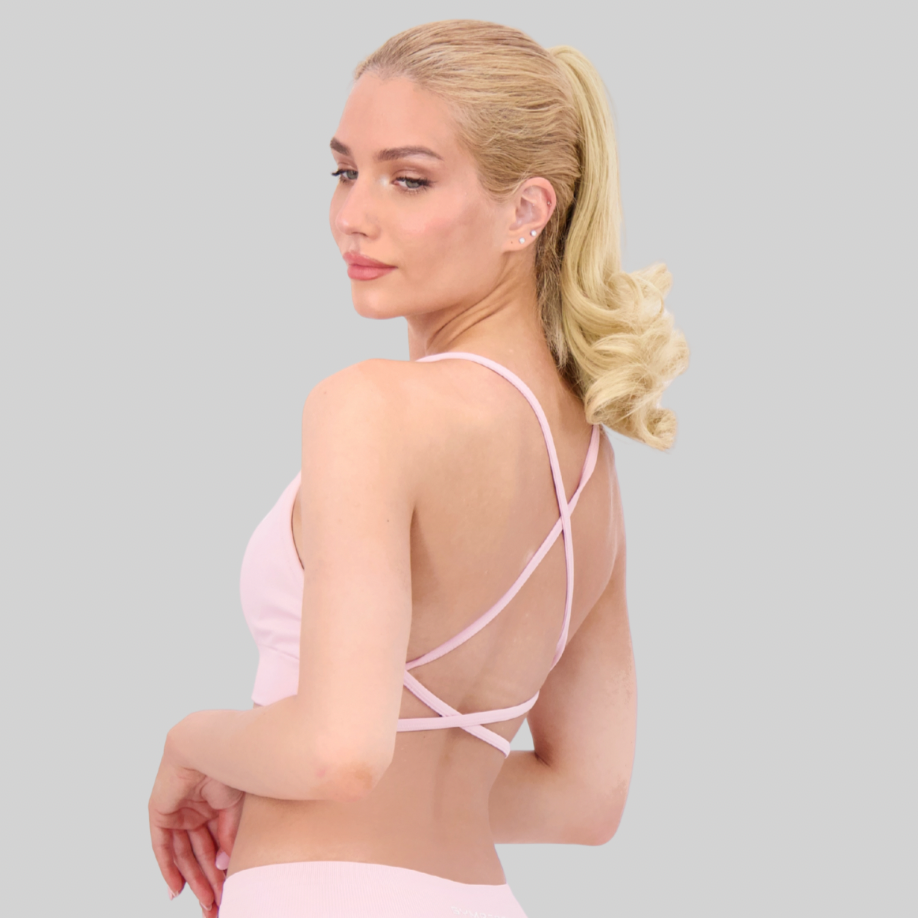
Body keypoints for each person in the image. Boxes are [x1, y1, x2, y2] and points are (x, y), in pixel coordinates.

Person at [148, 18, 689, 918]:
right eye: (344, 172)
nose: (353, 216)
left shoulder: (370, 407)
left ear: (527, 211)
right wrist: (282, 773)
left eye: (408, 179)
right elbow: (585, 799)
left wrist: (195, 741)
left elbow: (339, 754)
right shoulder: (588, 468)